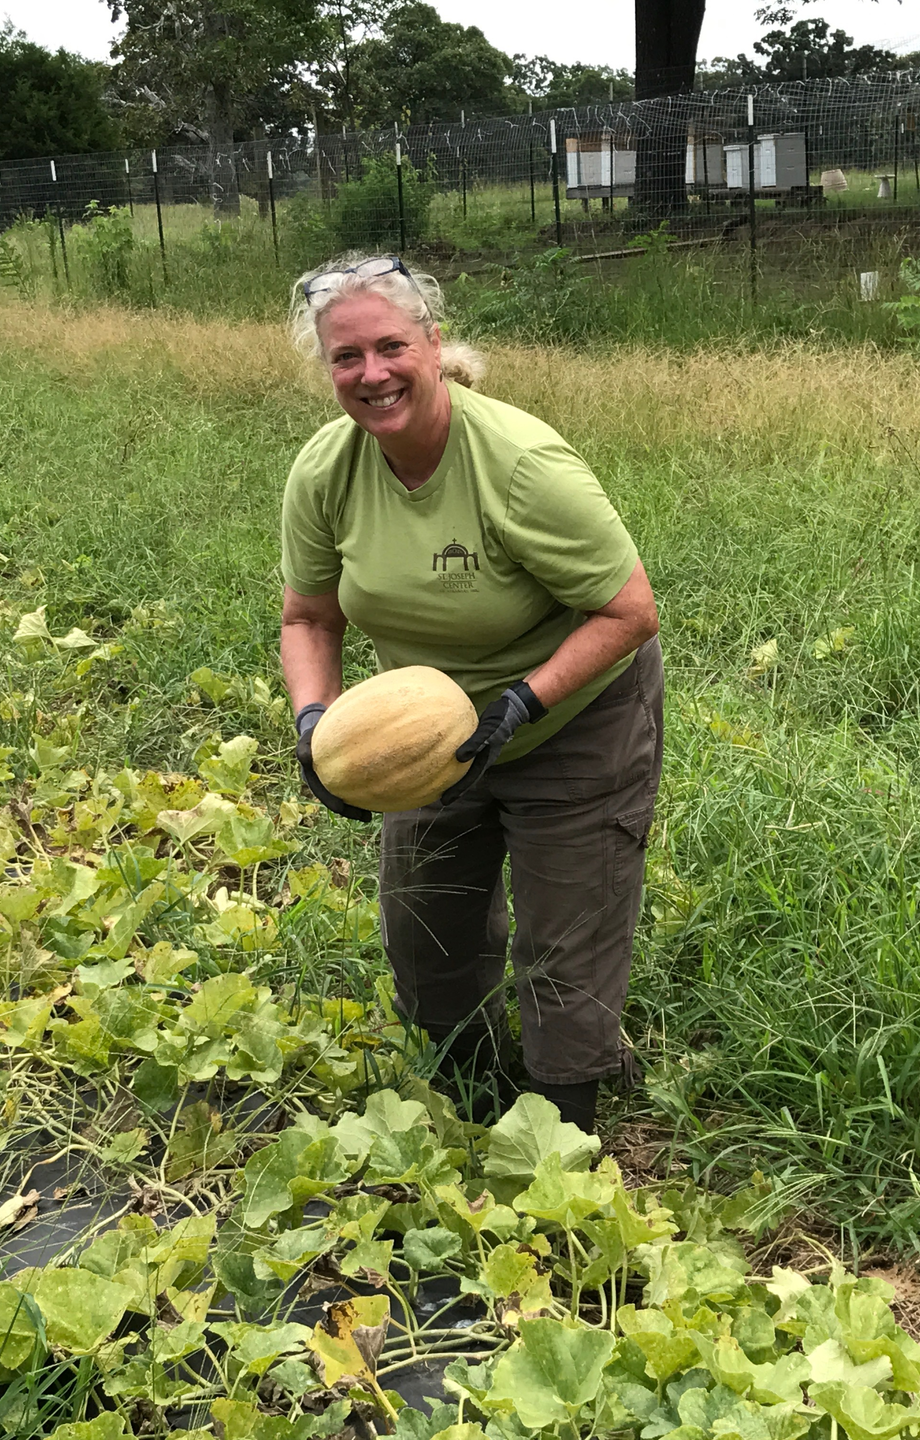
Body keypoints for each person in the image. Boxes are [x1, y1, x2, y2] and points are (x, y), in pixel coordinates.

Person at [277, 254, 662, 1134]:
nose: (371, 374)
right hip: (428, 727)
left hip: (574, 712)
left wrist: (523, 704)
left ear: (432, 344)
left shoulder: (520, 465)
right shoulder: (326, 473)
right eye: (346, 358)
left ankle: (564, 1130)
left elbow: (629, 608)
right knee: (426, 937)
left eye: (390, 347)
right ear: (327, 369)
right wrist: (315, 724)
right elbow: (309, 618)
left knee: (566, 940)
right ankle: (472, 1090)